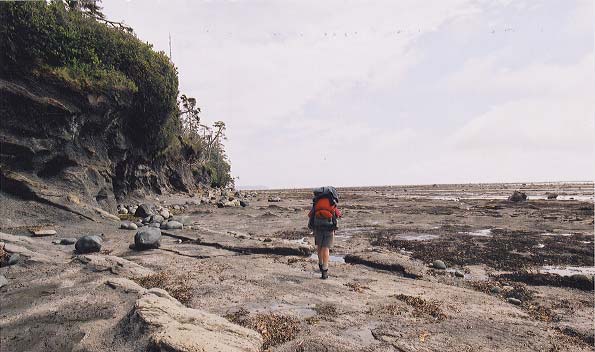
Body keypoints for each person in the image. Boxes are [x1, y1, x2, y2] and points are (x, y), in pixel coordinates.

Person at [308, 186, 342, 279]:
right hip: (329, 228)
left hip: (318, 227)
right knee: (326, 249)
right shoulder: (332, 202)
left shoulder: (317, 203)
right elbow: (338, 214)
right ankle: (325, 271)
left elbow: (310, 214)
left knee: (319, 246)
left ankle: (320, 263)